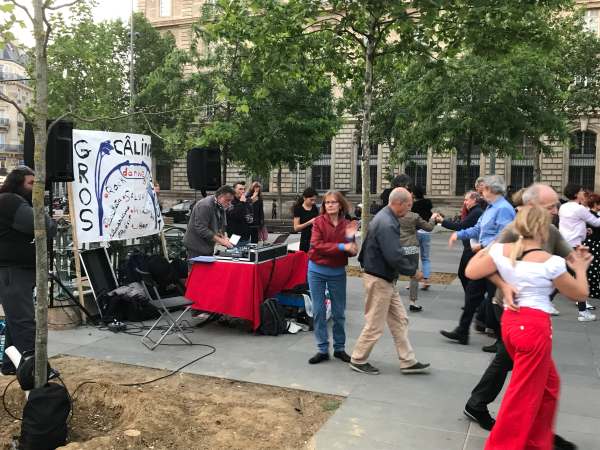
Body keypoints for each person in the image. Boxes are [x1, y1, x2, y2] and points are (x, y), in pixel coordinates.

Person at [465, 204, 591, 450]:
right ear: (543, 230)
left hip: (512, 325)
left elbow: (472, 270)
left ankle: (535, 440)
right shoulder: (551, 262)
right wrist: (580, 269)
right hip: (533, 329)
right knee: (522, 397)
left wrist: (503, 279)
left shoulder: (502, 250)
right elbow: (580, 294)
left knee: (549, 384)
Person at [350, 187, 431, 375]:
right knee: (375, 324)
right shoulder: (387, 222)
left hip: (383, 278)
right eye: (409, 205)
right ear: (399, 203)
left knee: (400, 320)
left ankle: (408, 360)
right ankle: (358, 358)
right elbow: (393, 255)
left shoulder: (384, 218)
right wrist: (413, 272)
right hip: (380, 279)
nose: (410, 210)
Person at [441, 175, 515, 345]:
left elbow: (504, 236)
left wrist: (482, 246)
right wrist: (458, 234)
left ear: (492, 190)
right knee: (472, 294)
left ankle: (502, 340)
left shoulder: (503, 208)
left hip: (494, 260)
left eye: (484, 190)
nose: (481, 193)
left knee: (494, 300)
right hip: (485, 258)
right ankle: (462, 331)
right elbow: (477, 228)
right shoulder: (491, 207)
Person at [0, 166, 57, 375]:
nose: (36, 188)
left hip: (14, 271)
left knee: (17, 320)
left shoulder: (11, 200)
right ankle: (38, 370)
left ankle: (9, 364)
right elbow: (46, 226)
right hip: (12, 272)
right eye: (31, 183)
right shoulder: (11, 201)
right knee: (24, 322)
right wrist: (41, 208)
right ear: (18, 183)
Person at [307, 191, 358, 365]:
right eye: (327, 202)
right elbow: (317, 245)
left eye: (333, 202)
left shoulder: (347, 224)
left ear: (340, 205)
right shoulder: (318, 222)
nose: (329, 205)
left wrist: (351, 244)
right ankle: (322, 349)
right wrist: (343, 246)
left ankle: (339, 348)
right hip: (316, 271)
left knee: (338, 313)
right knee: (319, 311)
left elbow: (352, 250)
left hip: (337, 272)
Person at [558, 183, 600, 321]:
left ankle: (546, 303)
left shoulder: (564, 207)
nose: (583, 193)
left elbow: (571, 224)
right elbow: (596, 222)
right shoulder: (580, 209)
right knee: (580, 276)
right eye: (582, 191)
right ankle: (583, 312)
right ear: (576, 194)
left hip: (564, 244)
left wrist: (583, 229)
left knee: (561, 274)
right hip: (575, 246)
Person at [432, 191, 484, 291]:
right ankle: (472, 299)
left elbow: (460, 226)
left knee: (465, 274)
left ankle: (473, 300)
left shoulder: (476, 212)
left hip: (472, 248)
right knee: (464, 274)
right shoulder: (474, 211)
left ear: (474, 200)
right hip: (470, 247)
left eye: (466, 200)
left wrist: (442, 221)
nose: (465, 202)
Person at [400, 195, 435, 311]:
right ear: (410, 204)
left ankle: (389, 298)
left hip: (398, 247)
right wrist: (433, 218)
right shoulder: (414, 216)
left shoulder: (395, 216)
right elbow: (429, 228)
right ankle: (413, 302)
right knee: (414, 275)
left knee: (392, 273)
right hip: (412, 248)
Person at [184, 185, 235, 258]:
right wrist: (221, 241)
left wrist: (223, 237)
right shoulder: (205, 205)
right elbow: (201, 228)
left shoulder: (220, 205)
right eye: (228, 200)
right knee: (197, 269)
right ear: (220, 196)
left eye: (231, 200)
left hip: (207, 247)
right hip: (196, 247)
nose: (229, 203)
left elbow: (220, 226)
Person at [411, 184, 434, 291]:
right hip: (426, 232)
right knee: (425, 258)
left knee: (413, 258)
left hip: (415, 232)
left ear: (414, 194)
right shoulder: (428, 203)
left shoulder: (413, 205)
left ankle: (413, 281)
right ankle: (426, 280)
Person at [292, 187, 319, 253]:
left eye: (315, 200)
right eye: (311, 200)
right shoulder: (298, 209)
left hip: (315, 238)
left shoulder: (314, 207)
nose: (313, 202)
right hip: (305, 240)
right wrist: (310, 222)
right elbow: (296, 228)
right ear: (304, 198)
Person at [584, 193, 600, 300]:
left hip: (593, 243)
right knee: (593, 268)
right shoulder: (591, 216)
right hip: (593, 243)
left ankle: (593, 290)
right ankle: (592, 291)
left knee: (594, 268)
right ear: (595, 204)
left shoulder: (591, 215)